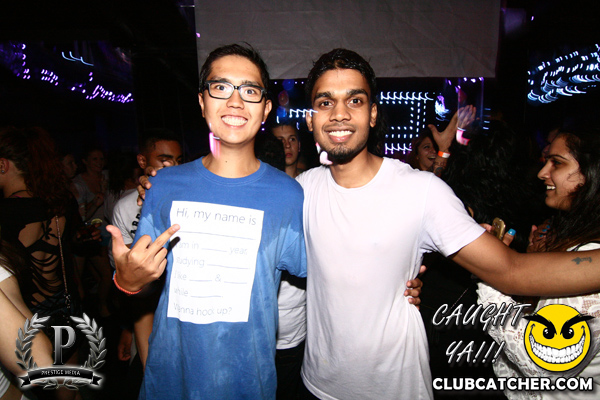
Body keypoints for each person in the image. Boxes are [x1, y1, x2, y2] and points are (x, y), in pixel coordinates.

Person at [296, 48, 600, 400]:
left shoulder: (421, 191)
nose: (340, 114)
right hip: (316, 383)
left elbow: (511, 270)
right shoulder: (301, 190)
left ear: (373, 113)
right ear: (310, 119)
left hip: (393, 388)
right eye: (325, 102)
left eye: (355, 100)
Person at [109, 44, 307, 400]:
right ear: (202, 102)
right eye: (221, 87)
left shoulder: (288, 195)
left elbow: (323, 278)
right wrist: (126, 282)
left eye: (249, 90)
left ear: (265, 108)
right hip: (172, 383)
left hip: (248, 384)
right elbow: (143, 283)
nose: (235, 101)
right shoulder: (163, 186)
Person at [478, 126, 600, 399]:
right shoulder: (575, 237)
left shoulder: (592, 255)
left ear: (591, 173)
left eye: (557, 163)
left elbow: (545, 363)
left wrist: (490, 274)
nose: (542, 173)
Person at [111, 129, 182, 369]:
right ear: (142, 161)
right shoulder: (125, 207)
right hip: (147, 308)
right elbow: (130, 278)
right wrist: (127, 328)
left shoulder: (188, 199)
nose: (173, 167)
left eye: (178, 160)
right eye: (164, 160)